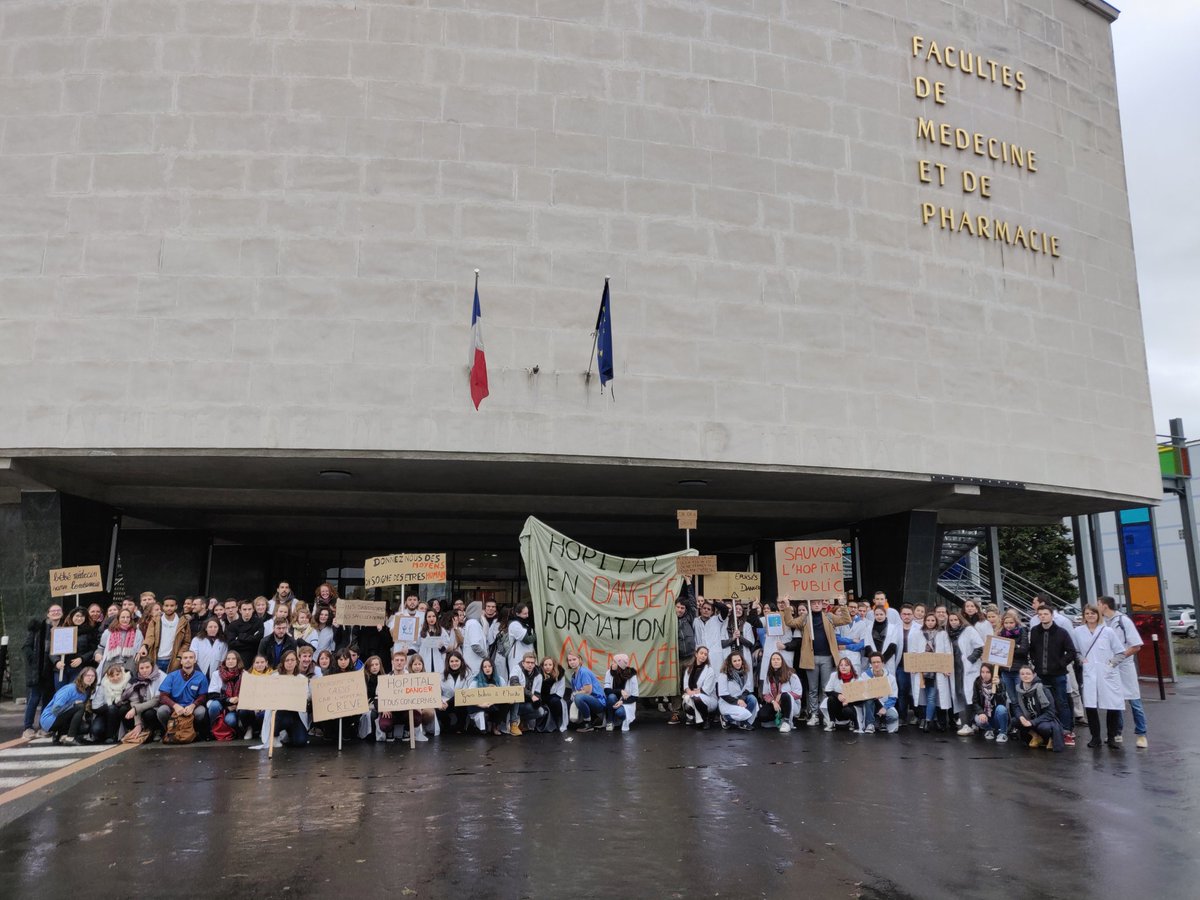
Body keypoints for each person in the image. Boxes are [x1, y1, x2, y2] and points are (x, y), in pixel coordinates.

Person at [779, 594, 851, 726]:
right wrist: (787, 606)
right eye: (814, 603)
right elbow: (790, 622)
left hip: (827, 657)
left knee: (825, 688)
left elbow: (846, 620)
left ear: (822, 604)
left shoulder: (829, 616)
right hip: (810, 658)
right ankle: (814, 714)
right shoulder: (805, 618)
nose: (816, 605)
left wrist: (842, 604)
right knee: (812, 689)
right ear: (810, 605)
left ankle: (826, 714)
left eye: (819, 602)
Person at [1098, 595, 1148, 748]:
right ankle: (1116, 733)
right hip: (1110, 666)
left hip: (1125, 666)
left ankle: (1141, 734)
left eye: (1098, 604)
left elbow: (1136, 645)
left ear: (1105, 606)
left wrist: (1119, 657)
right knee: (1115, 700)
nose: (1097, 607)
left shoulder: (1123, 621)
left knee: (1134, 700)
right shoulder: (1102, 622)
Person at [1073, 604, 1126, 748]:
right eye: (1087, 613)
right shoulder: (1078, 631)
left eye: (1093, 613)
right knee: (1090, 705)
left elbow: (1121, 652)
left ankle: (1112, 737)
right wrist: (1081, 660)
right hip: (1089, 671)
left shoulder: (1107, 631)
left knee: (1112, 705)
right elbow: (1075, 651)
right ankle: (1095, 737)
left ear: (1098, 615)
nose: (1090, 616)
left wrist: (1111, 663)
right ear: (1084, 616)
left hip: (1107, 671)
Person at [1028, 604, 1078, 747]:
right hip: (1041, 674)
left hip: (1058, 674)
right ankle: (1046, 731)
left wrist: (1060, 664)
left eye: (1045, 614)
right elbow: (1032, 649)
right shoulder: (1035, 631)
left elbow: (1071, 652)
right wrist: (1035, 662)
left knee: (1062, 702)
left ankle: (1066, 731)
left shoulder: (1061, 632)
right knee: (1043, 704)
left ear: (1051, 615)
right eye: (1040, 614)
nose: (1043, 616)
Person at [23, 603, 64, 737]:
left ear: (62, 613)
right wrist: (34, 661)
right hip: (38, 670)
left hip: (53, 670)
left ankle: (44, 726)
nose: (56, 612)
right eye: (53, 611)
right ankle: (28, 727)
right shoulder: (38, 628)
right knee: (34, 699)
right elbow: (26, 647)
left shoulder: (65, 628)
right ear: (48, 614)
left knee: (48, 700)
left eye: (58, 610)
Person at [150, 649, 210, 741]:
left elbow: (203, 696)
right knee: (162, 711)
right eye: (185, 658)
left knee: (201, 712)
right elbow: (163, 696)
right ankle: (169, 732)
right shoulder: (172, 676)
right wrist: (175, 706)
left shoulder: (201, 677)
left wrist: (193, 705)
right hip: (175, 707)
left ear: (195, 660)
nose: (188, 660)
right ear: (181, 661)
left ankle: (193, 733)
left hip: (192, 707)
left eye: (191, 657)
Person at [908, 612, 952, 732]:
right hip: (924, 671)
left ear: (936, 622)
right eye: (928, 620)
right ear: (925, 622)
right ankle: (928, 720)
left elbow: (947, 651)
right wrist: (914, 666)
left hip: (938, 670)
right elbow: (913, 651)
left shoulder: (942, 634)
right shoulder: (918, 634)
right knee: (929, 696)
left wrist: (947, 667)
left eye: (933, 620)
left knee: (933, 697)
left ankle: (929, 721)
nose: (930, 623)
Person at [260, 649, 310, 749]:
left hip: (296, 714)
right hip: (279, 713)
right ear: (283, 662)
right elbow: (268, 694)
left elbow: (307, 696)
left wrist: (304, 697)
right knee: (281, 716)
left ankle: (289, 733)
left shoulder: (301, 679)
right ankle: (275, 735)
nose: (290, 662)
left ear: (296, 662)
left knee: (300, 742)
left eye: (292, 660)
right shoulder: (275, 677)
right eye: (287, 660)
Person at [947, 611, 984, 735]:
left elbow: (979, 647)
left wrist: (969, 660)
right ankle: (969, 723)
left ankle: (968, 724)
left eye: (955, 620)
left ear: (960, 620)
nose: (953, 622)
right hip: (956, 669)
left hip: (968, 668)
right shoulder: (949, 634)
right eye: (951, 620)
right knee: (960, 694)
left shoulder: (969, 630)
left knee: (969, 694)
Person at [41, 667, 99, 745]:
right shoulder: (70, 688)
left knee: (85, 727)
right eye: (87, 675)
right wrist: (73, 704)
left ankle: (59, 735)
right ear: (81, 676)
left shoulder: (86, 691)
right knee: (80, 706)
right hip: (50, 719)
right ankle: (70, 738)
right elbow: (55, 710)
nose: (90, 678)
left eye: (93, 676)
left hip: (62, 717)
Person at [1015, 664, 1065, 752]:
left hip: (1045, 719)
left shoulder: (1043, 689)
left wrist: (1032, 722)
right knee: (1015, 721)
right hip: (1030, 718)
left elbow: (1051, 712)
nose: (1025, 676)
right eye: (1022, 674)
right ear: (1019, 676)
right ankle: (1036, 736)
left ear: (1034, 675)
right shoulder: (1019, 689)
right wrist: (1021, 716)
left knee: (1043, 727)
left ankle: (1051, 738)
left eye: (1028, 673)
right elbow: (1017, 706)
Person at [669, 579, 698, 725]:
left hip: (690, 657)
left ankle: (691, 712)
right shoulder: (669, 620)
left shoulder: (689, 617)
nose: (680, 610)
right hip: (675, 658)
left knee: (691, 684)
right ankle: (675, 713)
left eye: (682, 608)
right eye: (678, 607)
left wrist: (688, 583)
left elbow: (693, 603)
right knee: (676, 686)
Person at [208, 651, 254, 740]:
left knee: (230, 720)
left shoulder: (244, 674)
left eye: (233, 659)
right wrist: (228, 701)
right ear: (225, 661)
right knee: (214, 705)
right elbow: (212, 694)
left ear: (238, 661)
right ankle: (212, 730)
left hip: (237, 706)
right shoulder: (217, 674)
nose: (230, 661)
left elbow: (248, 693)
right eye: (228, 659)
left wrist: (237, 704)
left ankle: (235, 732)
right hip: (223, 703)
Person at [119, 658, 165, 743]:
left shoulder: (161, 676)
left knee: (149, 713)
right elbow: (135, 701)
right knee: (123, 709)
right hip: (141, 706)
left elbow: (156, 700)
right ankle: (134, 731)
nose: (144, 670)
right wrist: (138, 723)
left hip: (156, 706)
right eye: (142, 668)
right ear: (138, 669)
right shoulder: (135, 680)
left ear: (152, 667)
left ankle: (156, 731)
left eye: (147, 667)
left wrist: (136, 709)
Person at [143, 596, 192, 673]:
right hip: (156, 659)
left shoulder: (183, 622)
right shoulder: (155, 620)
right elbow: (150, 636)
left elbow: (186, 642)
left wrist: (179, 657)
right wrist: (144, 646)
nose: (169, 608)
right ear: (163, 607)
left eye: (172, 606)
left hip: (173, 661)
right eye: (166, 606)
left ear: (176, 606)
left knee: (171, 680)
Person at [55, 607, 99, 690]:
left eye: (82, 616)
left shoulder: (90, 631)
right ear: (72, 616)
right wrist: (56, 661)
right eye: (77, 616)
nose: (79, 618)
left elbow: (93, 650)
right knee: (60, 692)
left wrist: (81, 659)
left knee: (74, 691)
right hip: (61, 668)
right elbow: (53, 649)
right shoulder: (62, 630)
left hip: (79, 668)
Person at [761, 651, 803, 733]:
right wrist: (773, 702)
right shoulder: (769, 676)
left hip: (789, 704)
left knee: (785, 695)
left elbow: (798, 694)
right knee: (762, 715)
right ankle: (779, 720)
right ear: (770, 662)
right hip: (776, 704)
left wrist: (782, 695)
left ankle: (787, 721)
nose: (775, 661)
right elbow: (765, 694)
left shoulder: (791, 675)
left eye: (778, 659)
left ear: (782, 661)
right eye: (773, 659)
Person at [565, 651, 607, 733]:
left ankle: (588, 723)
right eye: (569, 660)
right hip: (589, 700)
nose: (572, 662)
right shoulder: (573, 676)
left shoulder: (584, 672)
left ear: (580, 660)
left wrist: (575, 694)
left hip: (598, 702)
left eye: (574, 659)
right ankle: (593, 718)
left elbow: (588, 691)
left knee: (578, 698)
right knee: (569, 702)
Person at [94, 608, 144, 676]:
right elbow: (101, 648)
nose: (125, 619)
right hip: (110, 667)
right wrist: (98, 654)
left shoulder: (137, 633)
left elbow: (140, 650)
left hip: (129, 668)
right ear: (118, 618)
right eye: (123, 617)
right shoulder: (108, 632)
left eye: (128, 617)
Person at [967, 662, 1009, 743]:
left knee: (1001, 709)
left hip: (997, 717)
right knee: (978, 718)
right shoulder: (977, 682)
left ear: (992, 672)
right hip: (986, 716)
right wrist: (981, 712)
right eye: (982, 672)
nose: (985, 675)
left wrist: (998, 687)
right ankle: (989, 730)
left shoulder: (1000, 682)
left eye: (988, 672)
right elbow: (975, 701)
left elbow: (1003, 701)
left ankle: (1003, 733)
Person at [90, 662, 132, 743]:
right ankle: (105, 735)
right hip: (105, 712)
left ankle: (111, 736)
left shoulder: (128, 683)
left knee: (121, 709)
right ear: (108, 676)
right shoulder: (103, 685)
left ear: (122, 673)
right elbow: (95, 707)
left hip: (123, 712)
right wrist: (110, 708)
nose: (115, 678)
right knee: (97, 730)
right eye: (112, 676)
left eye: (117, 674)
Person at [996, 610, 1029, 711]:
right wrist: (1016, 646)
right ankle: (1017, 718)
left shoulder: (1022, 631)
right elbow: (998, 652)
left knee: (1022, 697)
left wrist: (1010, 646)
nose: (1008, 625)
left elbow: (1023, 650)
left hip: (1019, 670)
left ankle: (1025, 717)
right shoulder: (1000, 634)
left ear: (1016, 622)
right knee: (1012, 698)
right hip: (1006, 671)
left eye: (1011, 622)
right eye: (1006, 623)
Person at [437, 650, 475, 735]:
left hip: (461, 701)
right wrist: (441, 702)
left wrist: (448, 702)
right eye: (452, 661)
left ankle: (460, 725)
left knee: (461, 704)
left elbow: (464, 692)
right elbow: (438, 691)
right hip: (445, 700)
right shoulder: (442, 675)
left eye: (457, 661)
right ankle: (446, 724)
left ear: (461, 661)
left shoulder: (468, 673)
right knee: (438, 708)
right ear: (448, 662)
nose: (454, 663)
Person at [716, 651, 757, 731]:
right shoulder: (724, 674)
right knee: (744, 713)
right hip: (728, 702)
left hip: (740, 699)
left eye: (739, 660)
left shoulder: (745, 673)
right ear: (730, 663)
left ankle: (743, 722)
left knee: (753, 699)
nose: (737, 663)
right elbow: (723, 694)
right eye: (734, 661)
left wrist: (741, 699)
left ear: (742, 661)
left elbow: (747, 689)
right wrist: (737, 701)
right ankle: (726, 718)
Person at [861, 652, 900, 734]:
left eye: (878, 662)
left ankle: (882, 720)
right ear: (870, 664)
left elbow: (893, 697)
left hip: (884, 704)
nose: (876, 664)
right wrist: (871, 695)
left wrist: (885, 708)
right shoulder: (864, 676)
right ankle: (870, 724)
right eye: (873, 662)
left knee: (893, 716)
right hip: (870, 705)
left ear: (883, 663)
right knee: (869, 700)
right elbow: (860, 693)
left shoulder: (891, 678)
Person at [471, 658, 510, 736]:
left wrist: (496, 691)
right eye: (485, 667)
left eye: (489, 666)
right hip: (480, 704)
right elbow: (470, 696)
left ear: (493, 667)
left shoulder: (499, 679)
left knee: (505, 704)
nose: (487, 668)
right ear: (482, 669)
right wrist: (481, 704)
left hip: (494, 703)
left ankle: (495, 726)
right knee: (483, 729)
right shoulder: (476, 680)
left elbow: (505, 694)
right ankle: (484, 725)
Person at [681, 646, 718, 728]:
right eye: (701, 653)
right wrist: (689, 692)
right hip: (693, 695)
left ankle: (706, 719)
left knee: (696, 698)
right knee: (686, 705)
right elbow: (686, 685)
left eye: (705, 654)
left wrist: (693, 693)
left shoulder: (710, 670)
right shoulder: (689, 668)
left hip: (708, 698)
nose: (703, 656)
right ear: (696, 654)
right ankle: (699, 717)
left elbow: (706, 689)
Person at [823, 656, 863, 732]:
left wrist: (849, 700)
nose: (843, 667)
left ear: (851, 667)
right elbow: (827, 691)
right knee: (831, 699)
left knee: (847, 710)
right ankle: (832, 722)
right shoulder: (834, 675)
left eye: (846, 665)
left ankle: (853, 722)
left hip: (851, 705)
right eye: (841, 665)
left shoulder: (858, 679)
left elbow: (861, 698)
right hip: (838, 704)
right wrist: (838, 695)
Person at [603, 654, 639, 733]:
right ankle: (610, 721)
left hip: (625, 702)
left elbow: (635, 697)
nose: (612, 663)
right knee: (611, 697)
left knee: (619, 712)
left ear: (619, 665)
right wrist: (620, 691)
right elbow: (606, 690)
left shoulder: (632, 676)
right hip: (613, 701)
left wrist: (622, 702)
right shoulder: (609, 672)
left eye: (614, 662)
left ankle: (619, 720)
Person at [532, 656, 569, 733]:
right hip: (542, 696)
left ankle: (558, 720)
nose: (547, 667)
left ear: (553, 665)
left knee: (554, 701)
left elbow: (560, 693)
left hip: (555, 697)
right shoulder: (539, 675)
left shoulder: (559, 674)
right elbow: (536, 690)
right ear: (542, 666)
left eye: (550, 665)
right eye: (545, 665)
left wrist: (548, 698)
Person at [404, 654, 436, 741]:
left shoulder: (427, 677)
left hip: (424, 703)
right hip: (410, 705)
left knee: (430, 712)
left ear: (422, 665)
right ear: (411, 665)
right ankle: (413, 730)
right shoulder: (406, 677)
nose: (417, 667)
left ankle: (422, 728)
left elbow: (432, 692)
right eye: (415, 664)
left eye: (419, 664)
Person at [226, 600, 264, 668]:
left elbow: (258, 640)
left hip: (254, 657)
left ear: (253, 610)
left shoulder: (259, 622)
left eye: (249, 609)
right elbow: (231, 644)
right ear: (240, 610)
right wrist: (251, 640)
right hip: (239, 658)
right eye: (244, 609)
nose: (247, 612)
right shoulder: (233, 625)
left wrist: (241, 637)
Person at [189, 617, 228, 682]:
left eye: (215, 627)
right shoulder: (197, 640)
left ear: (219, 628)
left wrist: (217, 673)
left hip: (215, 674)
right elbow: (193, 657)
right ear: (206, 628)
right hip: (198, 672)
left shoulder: (223, 642)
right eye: (210, 627)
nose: (213, 629)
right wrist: (198, 673)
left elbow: (222, 660)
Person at [416, 608, 451, 677]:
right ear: (426, 618)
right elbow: (416, 645)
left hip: (438, 661)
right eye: (429, 617)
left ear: (436, 617)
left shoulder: (442, 631)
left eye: (433, 616)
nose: (431, 619)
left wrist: (442, 646)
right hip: (424, 659)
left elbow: (446, 647)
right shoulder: (421, 631)